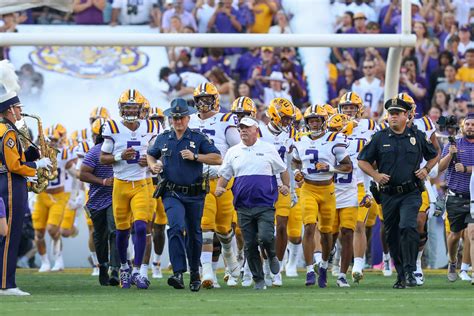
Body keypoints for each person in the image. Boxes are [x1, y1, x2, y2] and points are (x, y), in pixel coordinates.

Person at [358, 96, 438, 289]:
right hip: (388, 194)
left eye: (396, 114)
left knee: (409, 227)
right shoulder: (380, 137)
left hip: (411, 192)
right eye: (390, 114)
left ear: (406, 116)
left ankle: (411, 271)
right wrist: (376, 175)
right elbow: (362, 160)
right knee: (391, 234)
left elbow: (434, 154)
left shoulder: (417, 136)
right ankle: (401, 274)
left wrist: (426, 169)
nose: (392, 117)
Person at [147, 98, 222, 292]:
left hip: (195, 193)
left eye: (181, 118)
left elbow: (217, 158)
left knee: (195, 234)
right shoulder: (163, 138)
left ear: (188, 118)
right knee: (175, 227)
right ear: (171, 119)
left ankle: (195, 274)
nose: (178, 121)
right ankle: (178, 272)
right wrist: (152, 165)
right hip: (171, 192)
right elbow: (151, 153)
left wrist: (196, 156)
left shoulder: (198, 138)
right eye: (175, 118)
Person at [216, 116, 288, 290]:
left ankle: (272, 255)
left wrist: (286, 185)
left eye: (247, 128)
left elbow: (283, 170)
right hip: (242, 205)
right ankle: (259, 279)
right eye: (241, 128)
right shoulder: (233, 151)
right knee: (249, 245)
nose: (243, 131)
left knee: (265, 237)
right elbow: (225, 174)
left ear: (256, 130)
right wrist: (219, 187)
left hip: (265, 203)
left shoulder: (268, 149)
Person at [0, 60, 52, 296]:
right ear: (9, 109)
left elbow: (17, 157)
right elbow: (13, 165)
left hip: (9, 182)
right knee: (11, 234)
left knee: (8, 234)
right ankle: (6, 284)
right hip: (9, 183)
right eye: (18, 108)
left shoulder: (8, 130)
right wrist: (36, 165)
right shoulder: (7, 131)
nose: (21, 112)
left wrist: (34, 151)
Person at [100, 89, 157, 290]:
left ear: (141, 109)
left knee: (141, 227)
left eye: (134, 107)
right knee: (121, 231)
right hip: (121, 184)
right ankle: (123, 266)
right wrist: (119, 157)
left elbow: (158, 154)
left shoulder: (151, 125)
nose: (131, 110)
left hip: (141, 183)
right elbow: (102, 158)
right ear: (121, 109)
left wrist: (149, 162)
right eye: (127, 107)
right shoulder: (112, 127)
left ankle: (137, 270)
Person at [293, 104, 352, 288]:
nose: (314, 123)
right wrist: (297, 172)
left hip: (328, 189)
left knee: (327, 234)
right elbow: (295, 161)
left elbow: (347, 166)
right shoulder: (300, 139)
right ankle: (310, 269)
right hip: (308, 188)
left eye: (317, 120)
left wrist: (330, 168)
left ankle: (324, 266)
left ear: (324, 121)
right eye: (311, 120)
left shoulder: (334, 138)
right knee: (309, 226)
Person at [188, 83, 241, 288]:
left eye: (207, 98)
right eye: (200, 99)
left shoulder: (225, 119)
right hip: (198, 179)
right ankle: (207, 272)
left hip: (222, 179)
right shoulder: (189, 120)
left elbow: (237, 149)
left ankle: (231, 260)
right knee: (206, 226)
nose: (203, 103)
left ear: (215, 99)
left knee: (225, 229)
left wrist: (228, 170)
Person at [337, 91, 378, 282]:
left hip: (362, 181)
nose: (348, 111)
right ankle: (342, 258)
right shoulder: (334, 125)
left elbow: (378, 152)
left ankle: (359, 264)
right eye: (345, 108)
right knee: (342, 228)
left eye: (352, 108)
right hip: (339, 183)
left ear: (359, 109)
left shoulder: (369, 126)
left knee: (359, 224)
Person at [79, 118, 119, 286]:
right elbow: (83, 174)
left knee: (115, 230)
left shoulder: (119, 149)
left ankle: (116, 268)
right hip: (97, 199)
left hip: (115, 197)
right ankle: (103, 265)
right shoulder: (95, 152)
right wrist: (102, 181)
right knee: (100, 235)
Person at [32, 124, 77, 273]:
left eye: (54, 139)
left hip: (59, 196)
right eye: (48, 139)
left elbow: (75, 174)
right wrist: (31, 194)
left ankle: (58, 259)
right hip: (42, 195)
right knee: (38, 233)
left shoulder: (64, 154)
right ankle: (45, 262)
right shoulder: (36, 153)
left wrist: (78, 193)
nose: (51, 142)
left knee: (52, 229)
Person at [438, 114, 474, 283]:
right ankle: (453, 262)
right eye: (467, 124)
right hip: (455, 197)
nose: (470, 127)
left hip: (473, 197)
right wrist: (450, 155)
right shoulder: (453, 144)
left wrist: (466, 168)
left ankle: (469, 269)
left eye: (473, 124)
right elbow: (439, 168)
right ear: (462, 126)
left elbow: (467, 169)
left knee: (472, 233)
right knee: (454, 235)